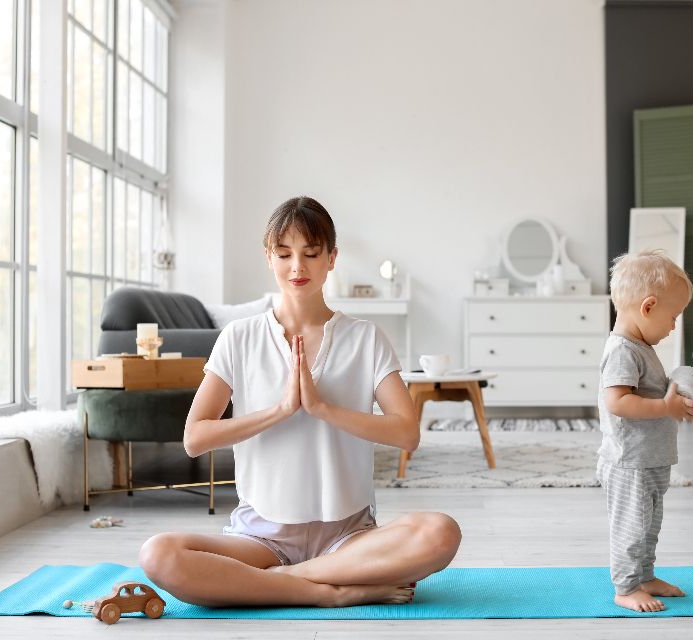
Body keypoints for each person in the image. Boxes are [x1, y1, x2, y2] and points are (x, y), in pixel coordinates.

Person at [139, 196, 461, 608]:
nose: (297, 267)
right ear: (268, 256)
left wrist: (324, 409)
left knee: (441, 533)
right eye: (285, 254)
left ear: (332, 258)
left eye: (311, 254)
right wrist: (278, 411)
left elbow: (407, 433)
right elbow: (194, 438)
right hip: (259, 537)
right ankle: (330, 594)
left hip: (350, 537)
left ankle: (287, 580)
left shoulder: (365, 338)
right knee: (158, 555)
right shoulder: (239, 338)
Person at [597, 250, 693, 612]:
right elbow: (618, 401)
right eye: (673, 316)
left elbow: (649, 390)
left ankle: (644, 575)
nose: (673, 326)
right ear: (649, 306)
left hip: (650, 458)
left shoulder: (641, 346)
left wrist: (675, 390)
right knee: (631, 527)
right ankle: (626, 587)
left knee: (649, 526)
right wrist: (666, 407)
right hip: (630, 462)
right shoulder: (623, 350)